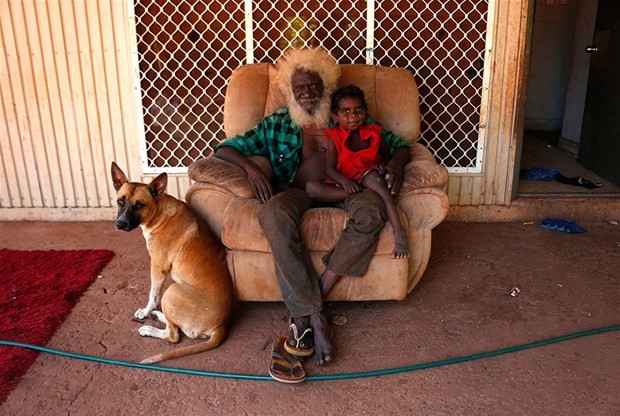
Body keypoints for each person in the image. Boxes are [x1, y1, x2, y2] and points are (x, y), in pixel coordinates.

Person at [213, 47, 411, 365]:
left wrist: (398, 164)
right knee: (272, 212)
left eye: (313, 85)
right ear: (290, 92)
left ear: (326, 86)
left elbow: (399, 145)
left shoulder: (348, 114)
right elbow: (225, 148)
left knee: (372, 211)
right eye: (299, 87)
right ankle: (317, 316)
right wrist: (250, 168)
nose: (306, 92)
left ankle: (310, 302)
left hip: (351, 187)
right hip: (301, 191)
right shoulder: (278, 122)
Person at [305, 85, 409, 259]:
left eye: (358, 110)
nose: (353, 116)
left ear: (365, 112)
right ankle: (359, 194)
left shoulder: (374, 132)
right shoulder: (334, 136)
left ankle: (399, 234)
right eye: (345, 112)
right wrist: (345, 182)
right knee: (311, 188)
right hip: (346, 182)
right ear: (335, 117)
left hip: (368, 174)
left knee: (376, 182)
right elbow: (330, 168)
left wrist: (385, 166)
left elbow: (385, 156)